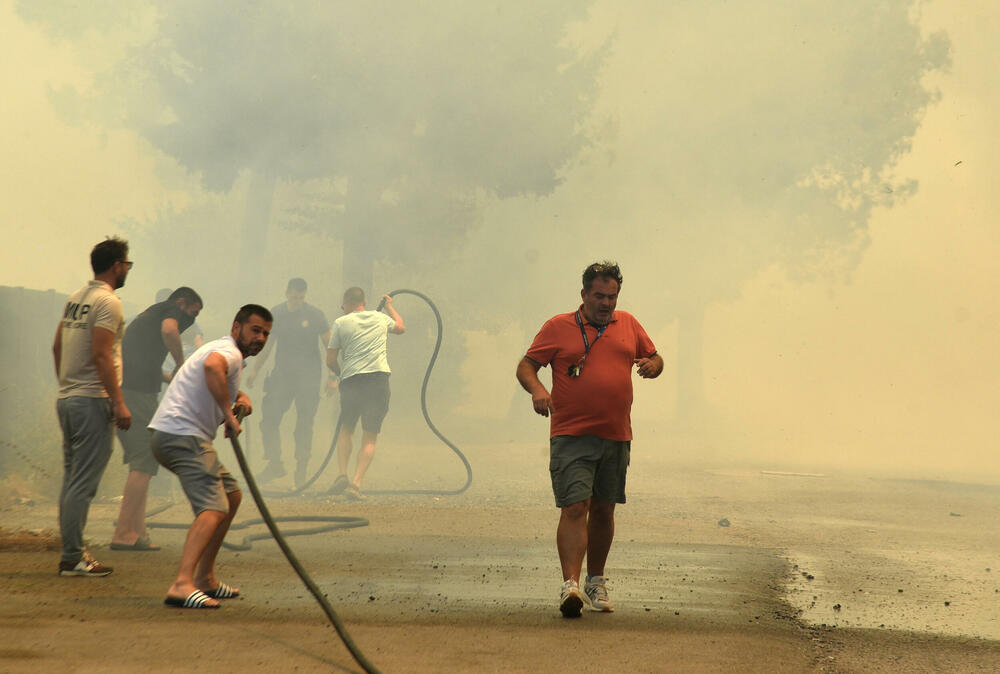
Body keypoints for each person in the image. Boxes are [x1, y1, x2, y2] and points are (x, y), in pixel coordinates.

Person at [515, 261, 663, 618]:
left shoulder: (628, 323)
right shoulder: (558, 327)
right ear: (584, 294)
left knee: (603, 509)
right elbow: (526, 365)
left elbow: (655, 358)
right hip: (571, 434)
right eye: (599, 295)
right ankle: (571, 585)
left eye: (612, 296)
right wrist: (538, 390)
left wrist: (652, 366)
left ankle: (596, 580)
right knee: (574, 507)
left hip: (615, 434)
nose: (606, 303)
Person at [149, 304, 272, 609]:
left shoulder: (229, 354)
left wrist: (238, 400)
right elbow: (211, 368)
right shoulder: (227, 353)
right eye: (255, 330)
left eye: (266, 334)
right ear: (236, 328)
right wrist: (229, 417)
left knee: (230, 496)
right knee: (213, 507)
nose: (260, 338)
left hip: (178, 435)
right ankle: (181, 584)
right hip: (181, 436)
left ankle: (205, 578)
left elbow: (219, 384)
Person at [52, 236, 133, 577]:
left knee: (73, 479)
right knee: (83, 482)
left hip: (69, 398)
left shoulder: (76, 298)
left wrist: (67, 385)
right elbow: (102, 353)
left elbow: (57, 347)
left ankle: (73, 552)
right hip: (92, 401)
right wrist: (118, 402)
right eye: (126, 263)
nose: (128, 269)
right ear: (116, 265)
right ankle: (72, 557)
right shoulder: (107, 302)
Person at [110, 287, 203, 550]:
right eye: (193, 313)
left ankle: (136, 531)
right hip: (135, 395)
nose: (192, 320)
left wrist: (171, 378)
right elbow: (170, 331)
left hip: (135, 391)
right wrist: (181, 363)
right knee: (144, 460)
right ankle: (123, 532)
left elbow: (139, 361)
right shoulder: (169, 310)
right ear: (182, 302)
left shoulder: (149, 315)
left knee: (144, 460)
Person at [248, 278, 331, 487]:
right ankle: (275, 463)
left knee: (304, 424)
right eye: (294, 297)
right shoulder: (276, 314)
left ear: (305, 295)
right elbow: (267, 345)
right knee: (269, 420)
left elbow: (330, 345)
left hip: (309, 377)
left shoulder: (315, 315)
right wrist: (256, 370)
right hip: (282, 376)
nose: (297, 301)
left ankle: (301, 471)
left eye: (301, 298)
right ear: (287, 293)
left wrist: (333, 376)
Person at [325, 287, 405, 500]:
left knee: (347, 428)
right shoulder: (380, 317)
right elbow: (400, 327)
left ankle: (342, 474)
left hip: (352, 381)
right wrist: (390, 307)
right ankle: (356, 483)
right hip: (378, 381)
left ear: (346, 303)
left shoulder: (341, 323)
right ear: (365, 301)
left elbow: (330, 360)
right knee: (370, 435)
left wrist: (341, 375)